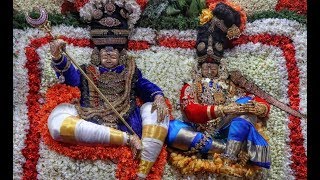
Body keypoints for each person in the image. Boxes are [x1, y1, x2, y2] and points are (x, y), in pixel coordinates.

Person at [47, 0, 169, 179]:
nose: (109, 56)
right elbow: (71, 80)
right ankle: (126, 140)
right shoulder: (87, 71)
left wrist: (158, 96)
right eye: (105, 53)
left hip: (127, 119)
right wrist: (58, 57)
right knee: (57, 123)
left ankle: (142, 172)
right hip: (91, 119)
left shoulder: (130, 71)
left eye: (113, 54)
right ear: (98, 55)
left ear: (120, 56)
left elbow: (144, 85)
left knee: (157, 110)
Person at [166, 1, 271, 171]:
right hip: (201, 133)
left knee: (246, 110)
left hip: (226, 128)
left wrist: (261, 108)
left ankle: (229, 156)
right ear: (199, 67)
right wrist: (225, 109)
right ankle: (230, 151)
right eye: (205, 65)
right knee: (172, 130)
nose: (209, 68)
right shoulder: (191, 85)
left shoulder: (229, 83)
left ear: (219, 66)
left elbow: (253, 99)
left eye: (213, 65)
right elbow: (191, 110)